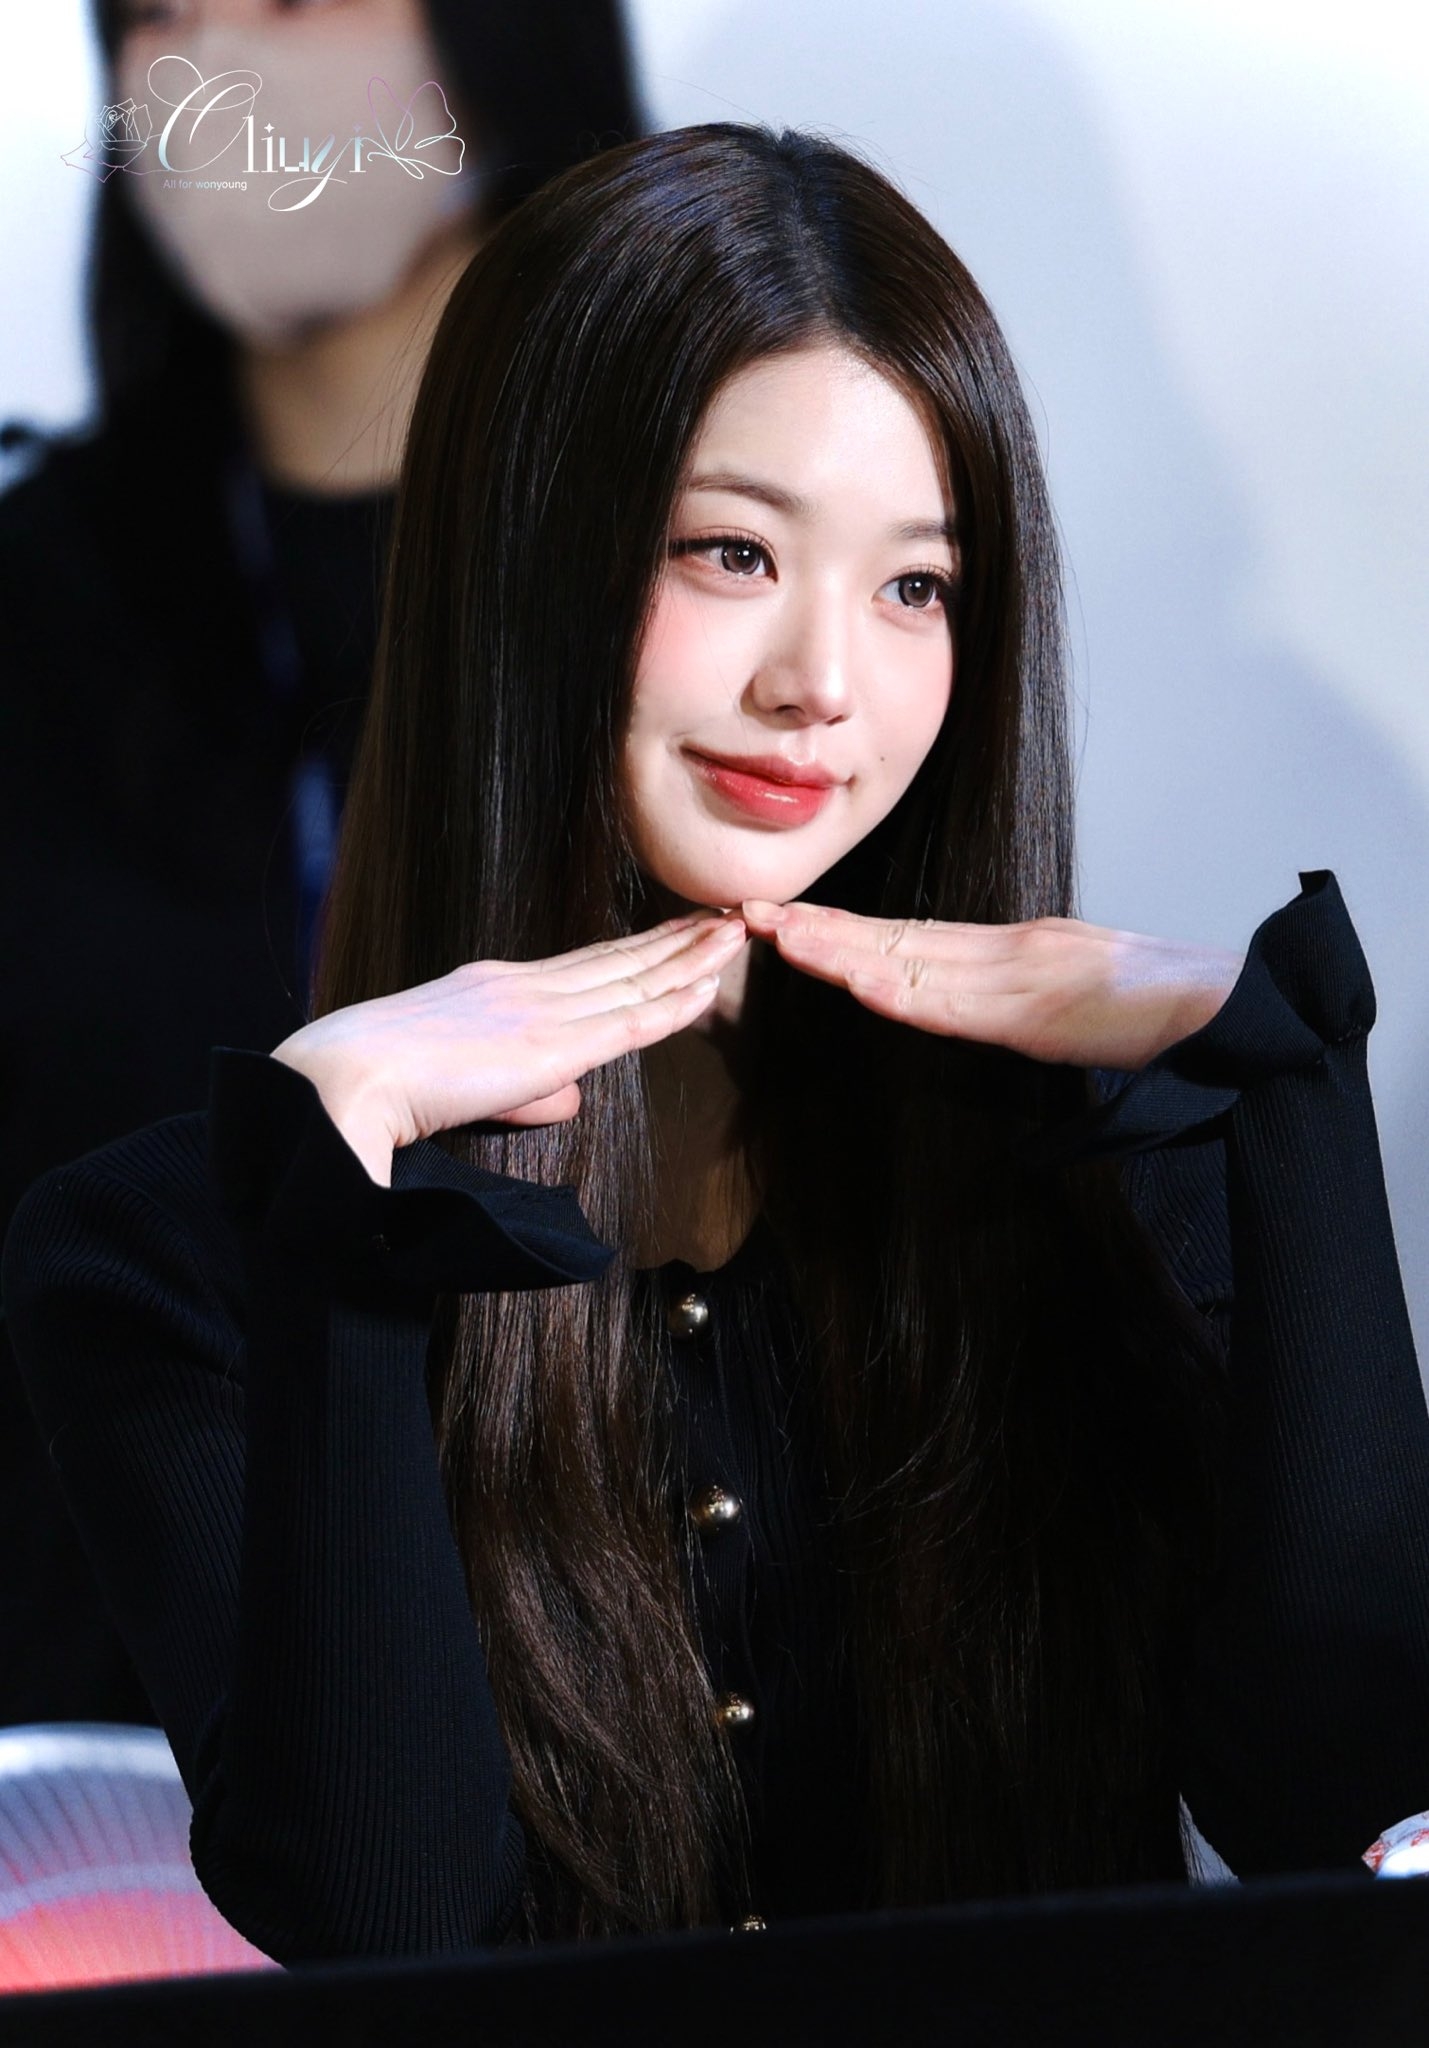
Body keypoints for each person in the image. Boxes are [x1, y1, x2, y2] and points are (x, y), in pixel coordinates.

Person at [6, 121, 1429, 1962]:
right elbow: (385, 1919)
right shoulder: (163, 1254)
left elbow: (1343, 1794)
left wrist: (1282, 1087)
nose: (820, 684)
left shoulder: (1112, 1168)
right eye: (730, 553)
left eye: (915, 587)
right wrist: (343, 1187)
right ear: (521, 560)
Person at [0, 0, 646, 1726]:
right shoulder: (38, 604)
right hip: (108, 1765)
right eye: (157, 13)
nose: (210, 66)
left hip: (610, 1720)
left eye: (288, 0)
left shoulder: (723, 577)